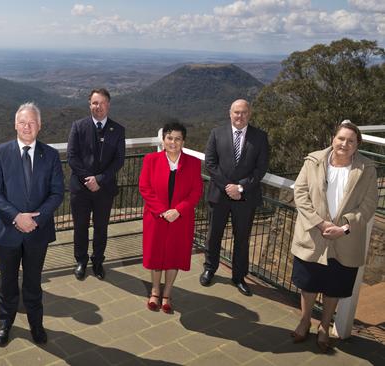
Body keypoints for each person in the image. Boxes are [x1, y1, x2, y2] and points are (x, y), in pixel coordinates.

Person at [289, 120, 377, 352]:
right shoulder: (313, 160)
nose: (344, 144)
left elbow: (369, 206)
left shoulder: (367, 169)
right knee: (308, 284)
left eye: (351, 141)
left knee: (334, 287)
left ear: (357, 145)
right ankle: (305, 320)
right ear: (333, 139)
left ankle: (324, 326)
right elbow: (300, 192)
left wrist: (345, 227)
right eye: (341, 139)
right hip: (313, 235)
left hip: (345, 239)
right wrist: (319, 223)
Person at [0, 102, 64, 347]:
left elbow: (57, 193)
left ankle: (36, 324)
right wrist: (17, 217)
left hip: (37, 233)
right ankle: (5, 323)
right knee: (8, 283)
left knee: (33, 282)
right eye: (22, 122)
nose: (27, 127)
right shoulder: (0, 152)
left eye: (32, 123)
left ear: (39, 126)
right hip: (8, 231)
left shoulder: (50, 155)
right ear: (15, 125)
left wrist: (36, 220)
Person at [200, 99, 269, 296]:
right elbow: (210, 164)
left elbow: (261, 168)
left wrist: (241, 187)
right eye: (236, 112)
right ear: (230, 113)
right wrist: (228, 187)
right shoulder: (216, 133)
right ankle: (209, 269)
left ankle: (239, 277)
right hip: (219, 195)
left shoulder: (260, 137)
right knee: (214, 235)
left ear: (250, 114)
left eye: (244, 112)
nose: (240, 116)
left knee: (242, 239)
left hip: (245, 198)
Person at [139, 122, 203, 313]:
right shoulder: (151, 159)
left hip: (180, 219)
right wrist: (161, 211)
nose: (173, 142)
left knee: (174, 256)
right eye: (169, 138)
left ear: (183, 141)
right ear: (163, 139)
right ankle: (155, 291)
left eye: (177, 139)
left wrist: (178, 210)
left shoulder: (193, 163)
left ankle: (167, 294)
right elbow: (145, 187)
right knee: (156, 255)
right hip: (156, 217)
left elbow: (196, 191)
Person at [67, 88, 125, 281]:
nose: (98, 106)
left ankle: (98, 261)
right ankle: (81, 261)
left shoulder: (118, 130)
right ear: (89, 105)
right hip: (80, 189)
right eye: (94, 103)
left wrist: (99, 180)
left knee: (101, 227)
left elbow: (118, 161)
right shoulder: (78, 126)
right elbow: (72, 157)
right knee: (80, 227)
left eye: (101, 103)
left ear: (108, 105)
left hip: (104, 189)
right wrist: (89, 179)